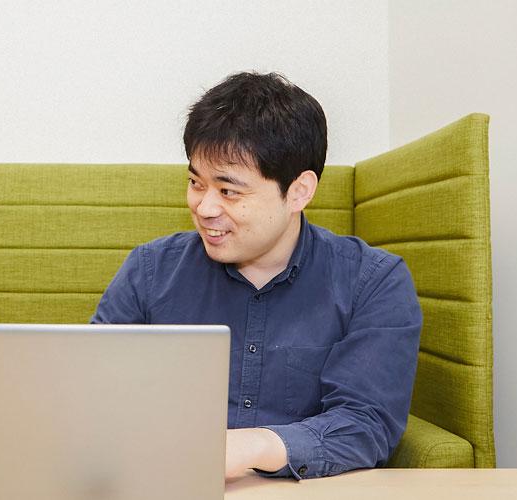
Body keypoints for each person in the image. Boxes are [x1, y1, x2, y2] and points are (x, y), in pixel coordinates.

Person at [92, 72, 422, 480]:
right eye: (196, 183)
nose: (204, 208)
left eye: (228, 191)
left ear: (299, 191)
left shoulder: (372, 282)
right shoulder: (149, 270)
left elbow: (366, 422)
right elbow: (92, 393)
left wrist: (254, 447)